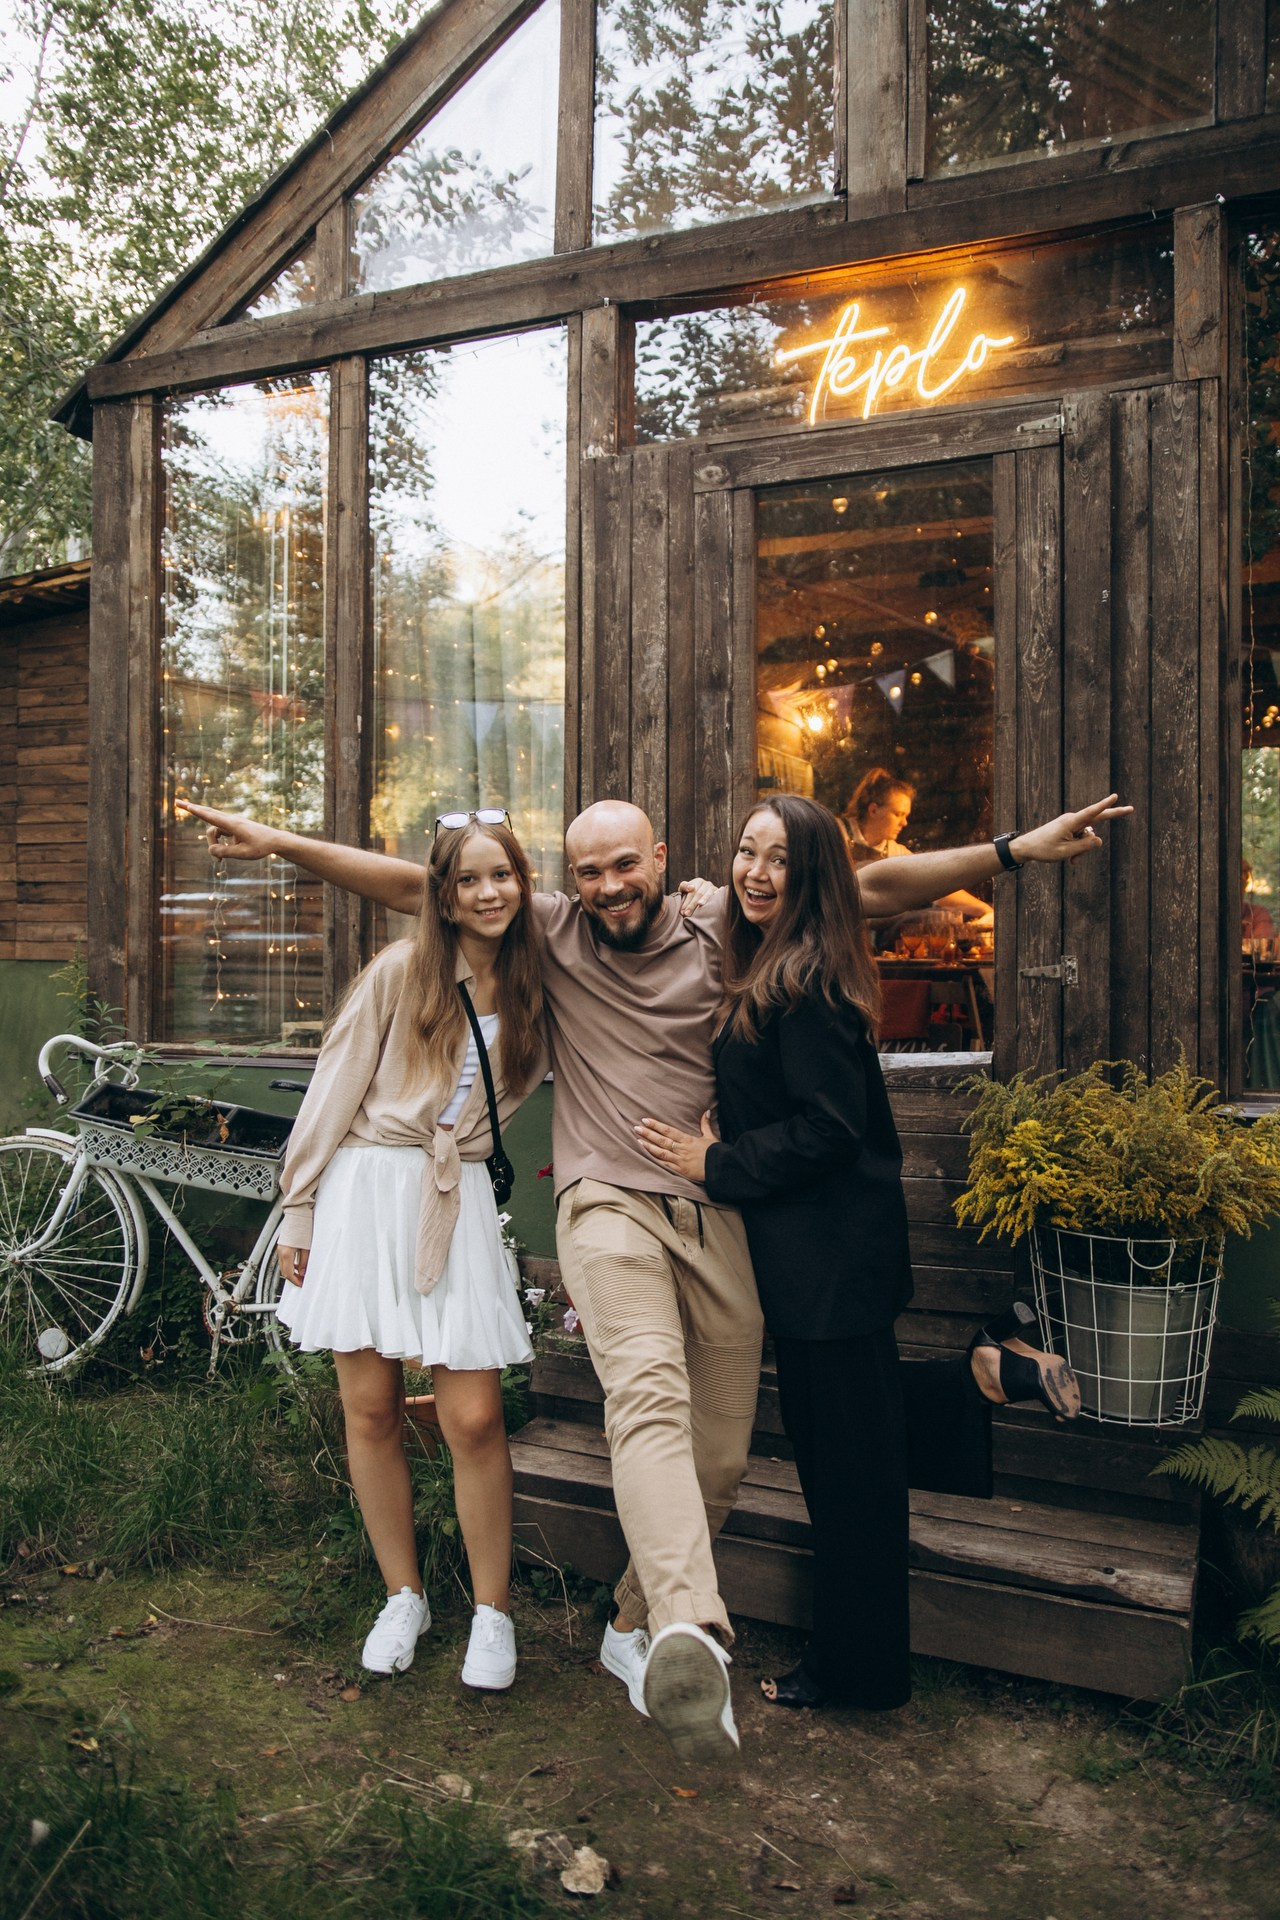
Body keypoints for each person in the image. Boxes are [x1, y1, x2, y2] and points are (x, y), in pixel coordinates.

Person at [180, 789, 1127, 1756]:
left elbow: (868, 884)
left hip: (716, 1211)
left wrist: (1013, 850)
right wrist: (274, 839)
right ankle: (689, 1621)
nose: (608, 888)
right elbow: (411, 884)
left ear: (662, 858)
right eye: (587, 871)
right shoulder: (552, 930)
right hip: (608, 1206)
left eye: (625, 866)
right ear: (569, 879)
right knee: (645, 1391)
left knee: (718, 1456)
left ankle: (632, 1626)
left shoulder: (723, 917)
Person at [634, 795, 1082, 1713]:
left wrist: (715, 1159)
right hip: (822, 1258)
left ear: (813, 877)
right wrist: (740, 1118)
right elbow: (795, 1105)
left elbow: (831, 1131)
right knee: (852, 1439)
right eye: (746, 853)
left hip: (827, 1261)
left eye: (780, 861)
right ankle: (981, 1378)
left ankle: (858, 1672)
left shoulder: (808, 982)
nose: (756, 873)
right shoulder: (778, 960)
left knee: (850, 1478)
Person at [273, 813, 548, 1690]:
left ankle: (492, 1613)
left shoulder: (542, 981)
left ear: (522, 880)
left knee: (472, 1415)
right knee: (372, 1409)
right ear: (443, 894)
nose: (488, 893)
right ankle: (405, 1594)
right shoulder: (400, 973)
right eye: (467, 880)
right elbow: (332, 1089)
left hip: (454, 1194)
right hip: (365, 1188)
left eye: (500, 874)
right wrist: (300, 1206)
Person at [844, 768, 990, 920]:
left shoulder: (895, 851)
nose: (904, 823)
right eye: (898, 814)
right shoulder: (836, 833)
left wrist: (984, 910)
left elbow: (934, 884)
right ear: (873, 810)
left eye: (906, 816)